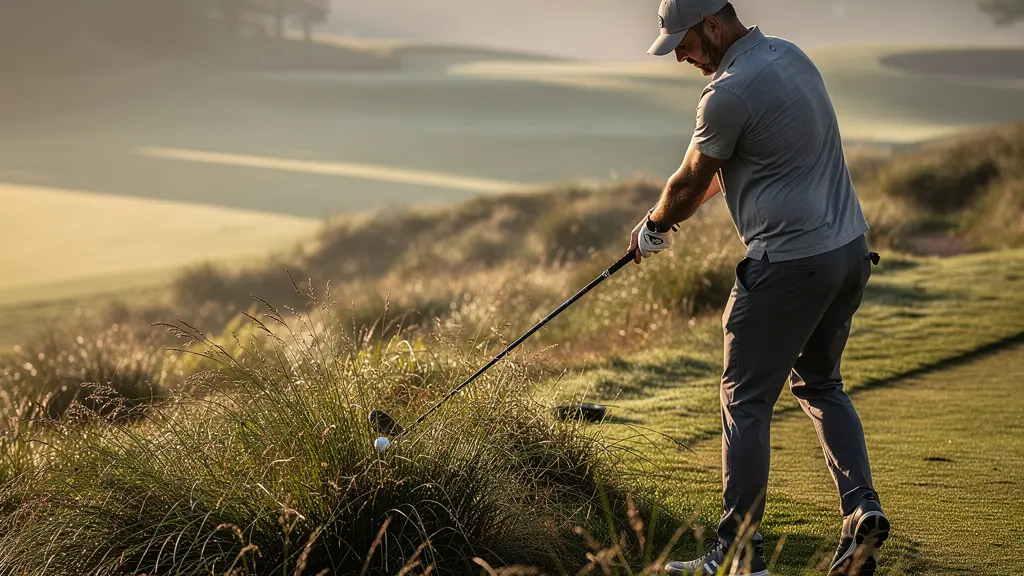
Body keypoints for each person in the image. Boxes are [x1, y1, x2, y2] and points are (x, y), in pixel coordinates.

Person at [627, 1, 890, 574]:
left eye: (685, 41)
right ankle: (861, 515)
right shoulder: (790, 58)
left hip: (789, 264)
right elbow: (750, 161)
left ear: (714, 26)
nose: (680, 54)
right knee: (821, 382)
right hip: (847, 251)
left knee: (743, 399)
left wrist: (653, 226)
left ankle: (739, 553)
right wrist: (680, 209)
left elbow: (692, 179)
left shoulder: (726, 93)